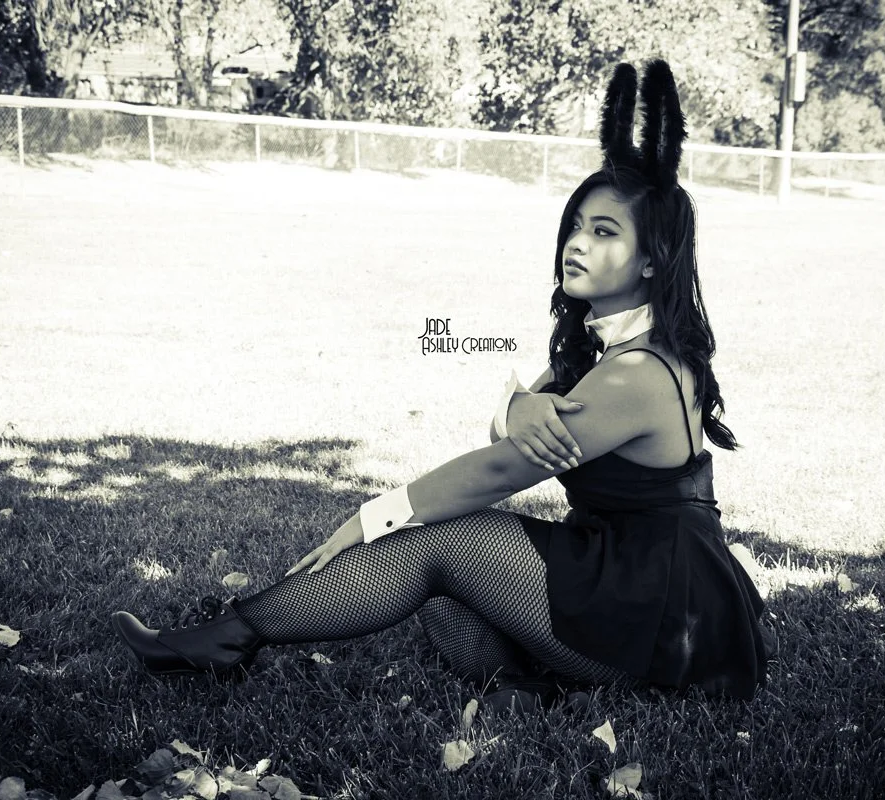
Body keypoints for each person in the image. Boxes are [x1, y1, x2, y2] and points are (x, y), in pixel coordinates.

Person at [112, 60, 770, 704]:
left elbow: (497, 472)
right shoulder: (607, 343)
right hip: (618, 573)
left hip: (654, 615)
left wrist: (371, 517)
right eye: (576, 225)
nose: (577, 244)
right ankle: (529, 685)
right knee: (439, 595)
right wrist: (519, 405)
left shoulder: (636, 372)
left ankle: (229, 636)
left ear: (653, 259)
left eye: (604, 233)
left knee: (432, 539)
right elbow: (505, 423)